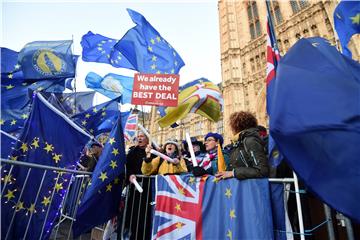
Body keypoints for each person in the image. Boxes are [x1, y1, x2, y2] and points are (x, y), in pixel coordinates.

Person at [216, 111, 269, 180]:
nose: (231, 130)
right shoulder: (239, 142)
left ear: (236, 126)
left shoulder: (250, 140)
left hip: (254, 187)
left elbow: (261, 170)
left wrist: (233, 173)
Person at [124, 131, 153, 240]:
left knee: (146, 213)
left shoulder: (153, 151)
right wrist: (130, 175)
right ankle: (133, 233)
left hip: (149, 187)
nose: (139, 138)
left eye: (142, 136)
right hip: (135, 186)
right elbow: (128, 166)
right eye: (138, 137)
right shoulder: (133, 151)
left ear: (147, 138)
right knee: (134, 212)